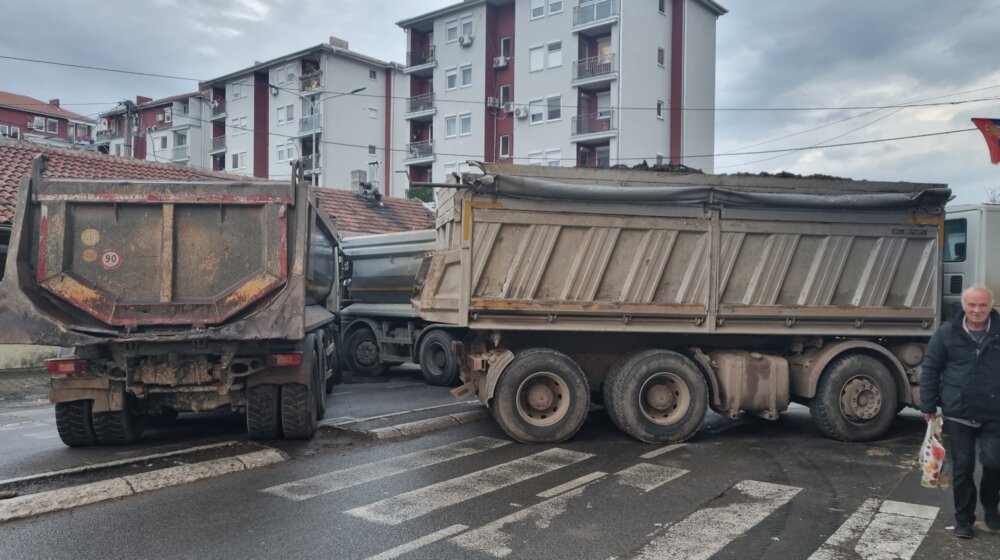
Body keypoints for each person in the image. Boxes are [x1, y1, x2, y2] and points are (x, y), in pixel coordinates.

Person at [920, 285, 1000, 538]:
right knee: (962, 469)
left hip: (994, 413)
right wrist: (928, 405)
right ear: (963, 305)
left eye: (983, 305)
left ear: (992, 306)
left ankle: (991, 509)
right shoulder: (946, 333)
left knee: (994, 464)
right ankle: (964, 520)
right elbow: (931, 368)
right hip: (958, 412)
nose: (977, 310)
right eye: (972, 305)